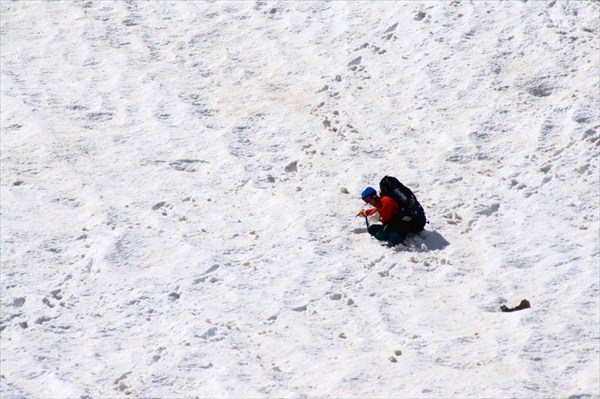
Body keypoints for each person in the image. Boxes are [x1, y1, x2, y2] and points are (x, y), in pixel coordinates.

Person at [358, 186, 423, 246]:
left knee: (386, 230)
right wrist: (366, 212)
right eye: (365, 200)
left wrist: (378, 218)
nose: (368, 202)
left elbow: (385, 219)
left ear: (374, 196)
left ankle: (397, 242)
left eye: (368, 198)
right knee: (374, 229)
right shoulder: (381, 202)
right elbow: (377, 209)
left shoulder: (385, 202)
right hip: (399, 223)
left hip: (402, 224)